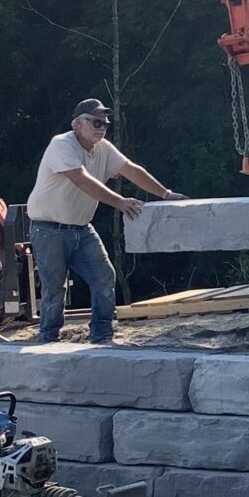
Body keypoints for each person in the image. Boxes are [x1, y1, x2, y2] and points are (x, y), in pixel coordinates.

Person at [26, 99, 181, 345]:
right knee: (54, 287)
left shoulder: (104, 149)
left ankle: (102, 336)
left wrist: (166, 194)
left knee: (104, 277)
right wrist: (120, 202)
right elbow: (82, 180)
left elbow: (131, 169)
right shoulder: (61, 145)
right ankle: (48, 338)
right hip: (48, 229)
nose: (102, 127)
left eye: (106, 123)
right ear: (77, 124)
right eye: (96, 122)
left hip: (82, 228)